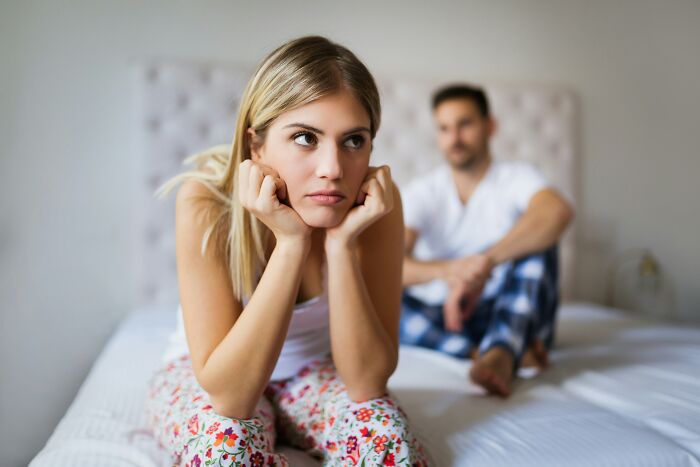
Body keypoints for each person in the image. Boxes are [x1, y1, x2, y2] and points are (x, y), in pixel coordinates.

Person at [145, 36, 430, 466]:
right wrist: (291, 243)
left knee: (385, 436)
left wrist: (342, 245)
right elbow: (230, 395)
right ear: (256, 145)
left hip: (312, 375)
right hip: (211, 377)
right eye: (304, 137)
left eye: (354, 140)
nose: (333, 169)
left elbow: (366, 383)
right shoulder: (205, 202)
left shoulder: (376, 209)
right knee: (223, 449)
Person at [400, 84, 574, 398]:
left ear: (489, 126)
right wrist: (452, 272)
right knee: (381, 299)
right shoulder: (424, 192)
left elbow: (557, 212)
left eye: (464, 124)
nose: (454, 138)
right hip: (452, 317)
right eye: (444, 128)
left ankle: (504, 349)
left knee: (539, 243)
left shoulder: (516, 177)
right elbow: (388, 265)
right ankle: (486, 352)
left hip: (515, 310)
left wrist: (485, 264)